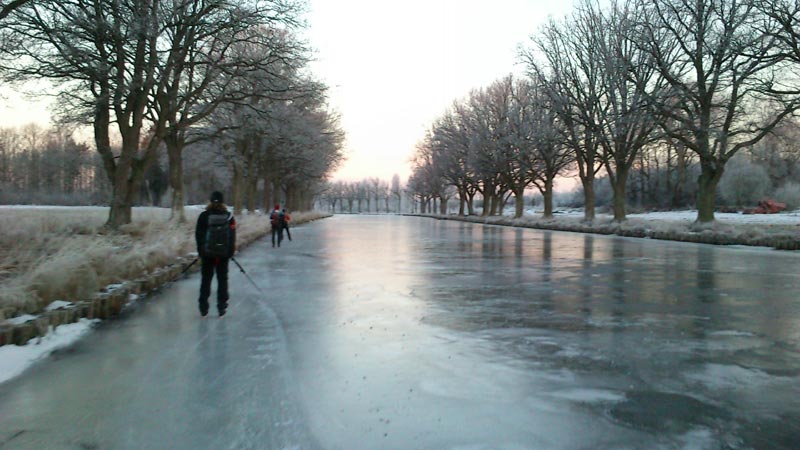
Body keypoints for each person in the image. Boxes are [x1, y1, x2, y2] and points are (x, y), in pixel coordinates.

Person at [195, 191, 236, 317]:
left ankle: (203, 306)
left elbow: (199, 235)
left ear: (211, 201)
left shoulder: (203, 216)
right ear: (223, 202)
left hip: (207, 254)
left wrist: (201, 251)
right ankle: (221, 306)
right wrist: (230, 251)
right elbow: (232, 235)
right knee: (222, 279)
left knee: (206, 279)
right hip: (223, 254)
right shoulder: (229, 217)